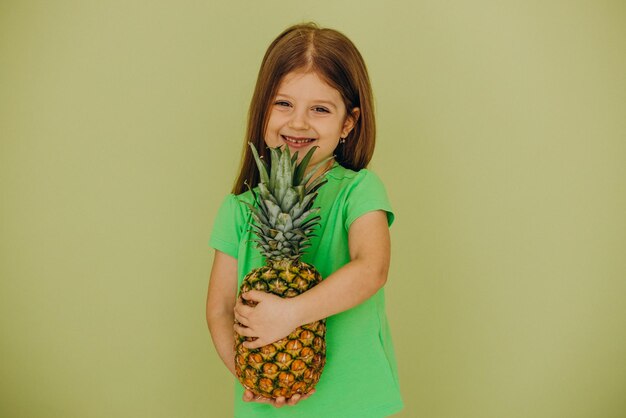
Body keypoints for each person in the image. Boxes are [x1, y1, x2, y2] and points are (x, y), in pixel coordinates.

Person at [206, 22, 404, 417]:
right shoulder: (239, 209)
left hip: (357, 404)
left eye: (320, 109)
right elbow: (220, 308)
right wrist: (252, 376)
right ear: (262, 109)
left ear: (348, 122)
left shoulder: (359, 190)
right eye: (283, 104)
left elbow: (372, 268)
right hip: (266, 408)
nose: (298, 123)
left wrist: (289, 313)